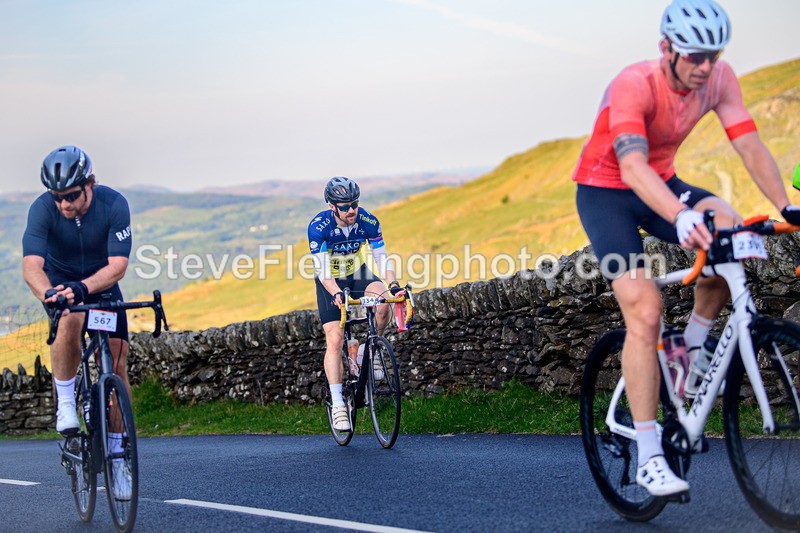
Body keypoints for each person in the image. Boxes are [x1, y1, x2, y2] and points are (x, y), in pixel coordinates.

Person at [573, 0, 800, 497]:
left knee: (733, 232)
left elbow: (749, 143)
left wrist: (786, 204)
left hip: (664, 183)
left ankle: (690, 356)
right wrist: (680, 216)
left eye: (712, 56)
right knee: (646, 308)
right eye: (694, 56)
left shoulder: (719, 79)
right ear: (666, 48)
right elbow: (631, 167)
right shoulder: (634, 84)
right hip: (606, 193)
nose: (704, 67)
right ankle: (651, 457)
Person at [22, 145, 134, 499]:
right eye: (58, 197)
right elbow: (31, 266)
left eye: (71, 195)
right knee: (70, 318)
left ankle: (118, 458)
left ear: (90, 183)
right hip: (60, 285)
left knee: (118, 359)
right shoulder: (41, 210)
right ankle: (67, 404)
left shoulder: (114, 204)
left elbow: (118, 265)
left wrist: (82, 288)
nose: (65, 204)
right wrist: (49, 294)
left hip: (100, 285)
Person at [308, 177, 404, 431]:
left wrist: (393, 285)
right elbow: (323, 270)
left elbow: (382, 258)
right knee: (335, 338)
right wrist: (337, 294)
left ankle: (369, 354)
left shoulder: (368, 221)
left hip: (358, 273)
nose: (352, 210)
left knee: (384, 302)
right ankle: (339, 402)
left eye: (355, 204)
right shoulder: (319, 227)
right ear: (332, 206)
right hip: (330, 279)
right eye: (345, 206)